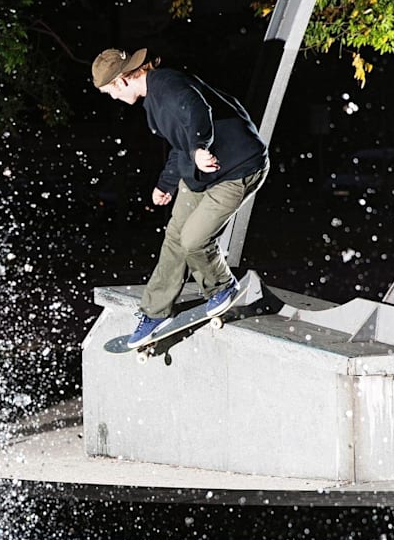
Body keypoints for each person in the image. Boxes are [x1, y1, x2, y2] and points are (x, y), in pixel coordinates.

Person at [92, 47, 269, 348]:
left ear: (122, 81)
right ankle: (155, 311)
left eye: (110, 92)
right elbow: (178, 144)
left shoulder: (169, 85)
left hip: (237, 169)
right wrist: (166, 183)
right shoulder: (153, 102)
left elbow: (197, 109)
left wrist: (200, 147)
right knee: (174, 236)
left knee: (193, 240)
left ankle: (222, 287)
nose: (113, 98)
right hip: (200, 172)